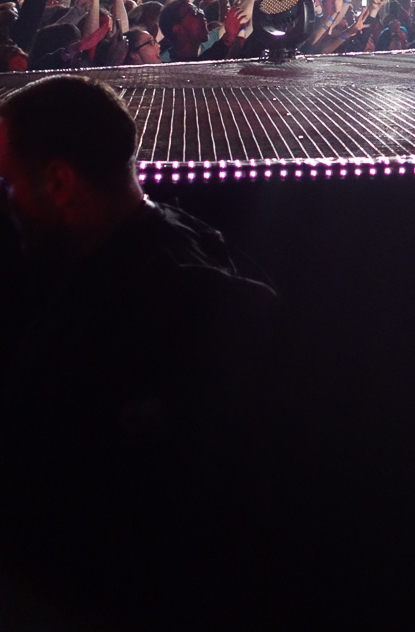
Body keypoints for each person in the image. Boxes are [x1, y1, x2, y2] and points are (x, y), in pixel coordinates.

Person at [0, 75, 279, 624]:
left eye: (8, 184)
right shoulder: (185, 251)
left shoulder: (153, 313)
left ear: (59, 182)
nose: (5, 202)